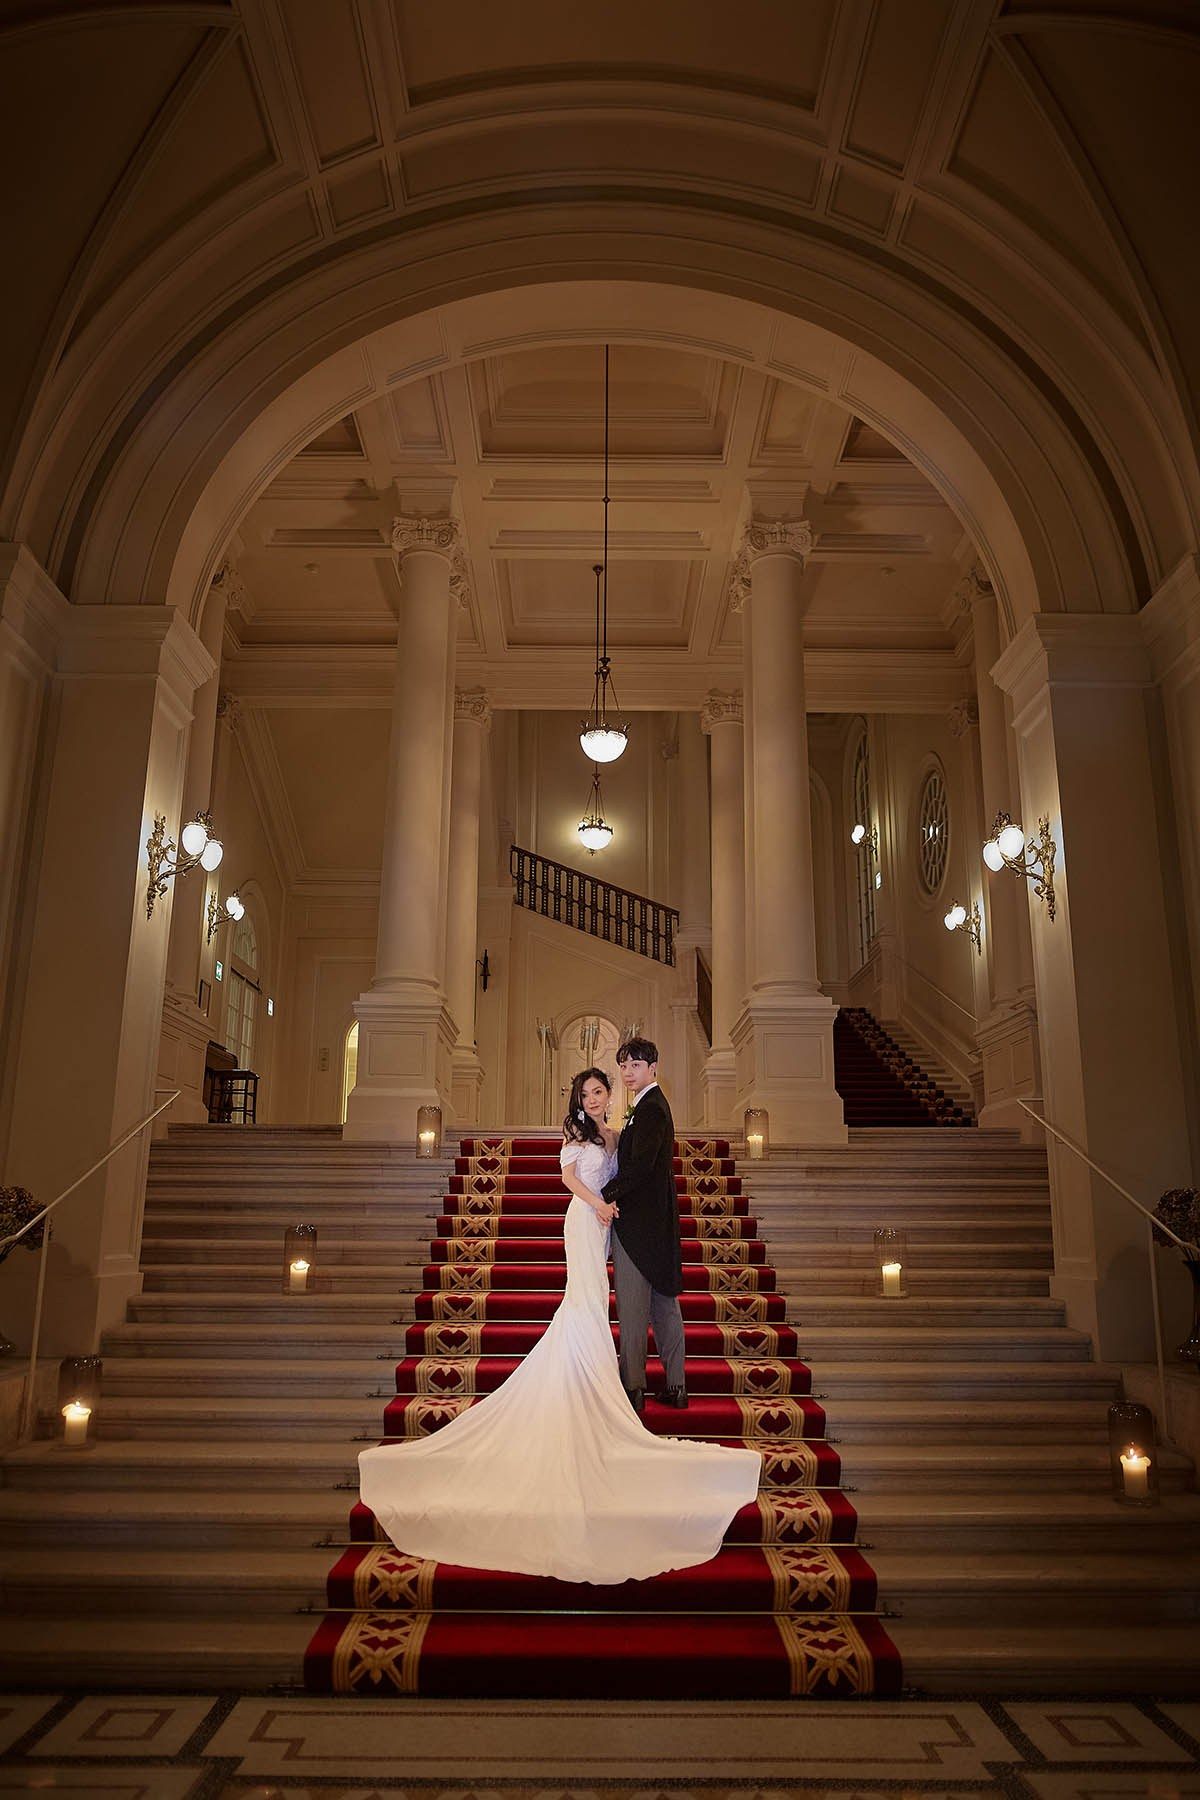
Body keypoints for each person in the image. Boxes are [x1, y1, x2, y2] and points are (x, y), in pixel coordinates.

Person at [356, 1064, 760, 1585]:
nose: (592, 1099)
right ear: (576, 1098)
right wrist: (599, 1204)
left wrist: (613, 1205)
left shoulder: (615, 1131)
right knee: (584, 1301)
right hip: (585, 1219)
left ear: (608, 1094)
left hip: (605, 1225)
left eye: (599, 1092)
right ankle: (584, 1376)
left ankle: (589, 1374)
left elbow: (633, 1166)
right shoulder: (574, 1131)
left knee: (594, 1302)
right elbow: (566, 1178)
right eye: (586, 1093)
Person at [601, 1036, 687, 1412]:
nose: (627, 1072)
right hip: (657, 1222)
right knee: (664, 1303)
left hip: (638, 1225)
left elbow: (640, 1167)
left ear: (653, 1068)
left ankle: (633, 1388)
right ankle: (676, 1386)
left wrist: (604, 1194)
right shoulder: (648, 1107)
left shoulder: (651, 1109)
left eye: (635, 1065)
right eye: (623, 1066)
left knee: (634, 1307)